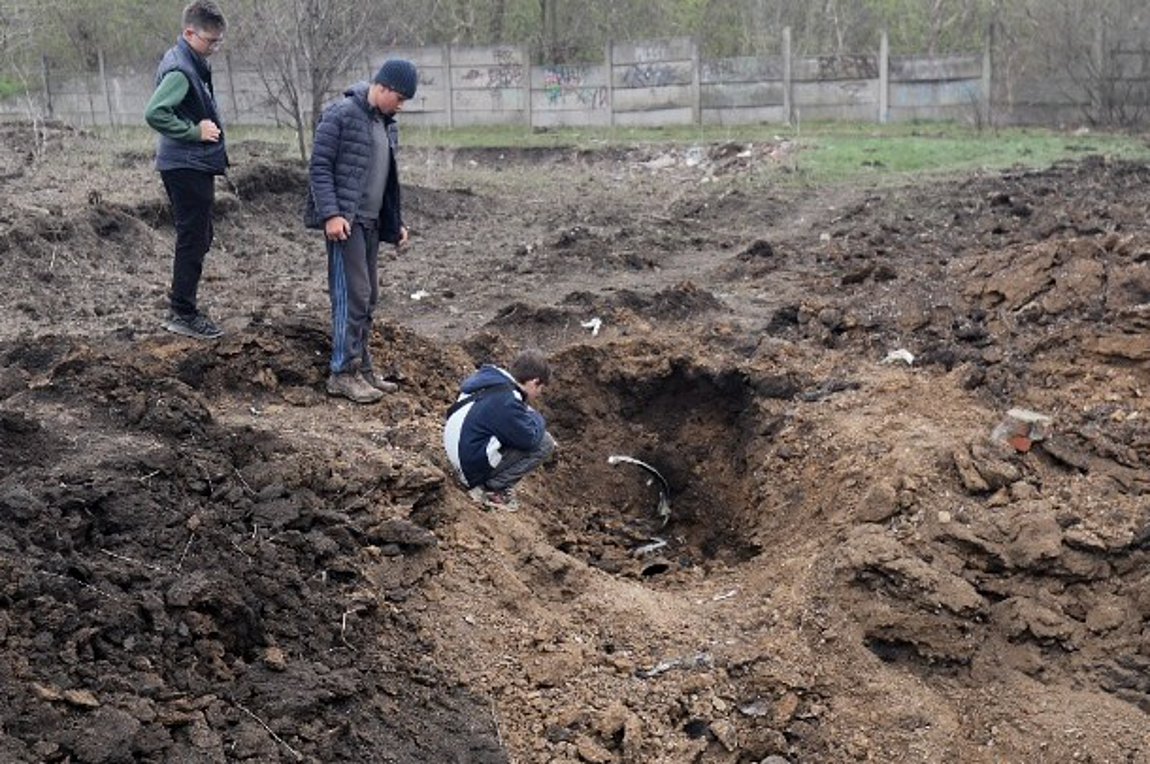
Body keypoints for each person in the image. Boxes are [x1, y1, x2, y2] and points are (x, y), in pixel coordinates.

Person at [304, 59, 418, 404]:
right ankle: (342, 373)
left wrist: (394, 222)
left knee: (368, 297)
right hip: (345, 224)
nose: (401, 106)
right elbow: (319, 167)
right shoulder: (341, 115)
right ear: (382, 87)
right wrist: (332, 214)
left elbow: (386, 183)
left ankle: (363, 369)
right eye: (399, 98)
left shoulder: (387, 125)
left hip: (370, 223)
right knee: (351, 295)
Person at [144, 1, 229, 340]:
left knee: (200, 234)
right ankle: (182, 311)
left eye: (219, 41)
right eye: (211, 41)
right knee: (193, 237)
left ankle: (183, 306)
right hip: (185, 163)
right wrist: (195, 132)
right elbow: (155, 113)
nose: (215, 48)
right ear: (189, 33)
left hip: (190, 163)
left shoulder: (190, 61)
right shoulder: (181, 70)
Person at [443, 349, 558, 511]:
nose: (539, 394)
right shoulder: (507, 401)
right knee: (545, 442)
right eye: (540, 389)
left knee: (519, 432)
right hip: (469, 469)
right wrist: (538, 417)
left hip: (458, 452)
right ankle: (493, 487)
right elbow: (529, 439)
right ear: (534, 382)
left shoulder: (490, 379)